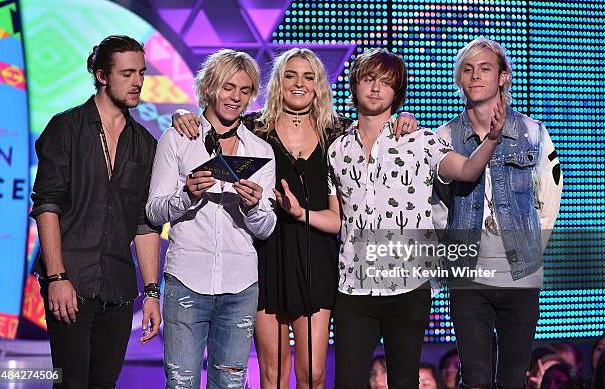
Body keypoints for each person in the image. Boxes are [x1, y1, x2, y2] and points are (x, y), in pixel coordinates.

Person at [171, 48, 417, 389]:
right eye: (290, 75)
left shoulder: (338, 132)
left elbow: (376, 130)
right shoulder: (253, 128)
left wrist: (400, 120)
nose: (299, 84)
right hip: (265, 255)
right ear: (278, 82)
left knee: (313, 373)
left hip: (317, 255)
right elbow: (214, 120)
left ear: (319, 86)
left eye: (308, 77)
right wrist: (185, 115)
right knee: (272, 373)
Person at [275, 47, 505, 389]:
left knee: (403, 381)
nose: (375, 88)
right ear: (355, 85)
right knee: (348, 381)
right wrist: (299, 213)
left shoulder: (420, 140)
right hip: (354, 287)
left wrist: (492, 139)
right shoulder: (337, 149)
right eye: (368, 79)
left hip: (408, 286)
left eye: (386, 82)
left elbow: (468, 170)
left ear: (396, 93)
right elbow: (338, 219)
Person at [30, 35, 161, 388]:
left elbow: (145, 222)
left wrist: (151, 293)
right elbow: (47, 204)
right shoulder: (66, 128)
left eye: (142, 73)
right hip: (71, 279)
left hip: (118, 287)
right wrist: (57, 277)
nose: (137, 82)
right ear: (102, 75)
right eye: (128, 73)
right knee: (70, 383)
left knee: (104, 383)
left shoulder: (145, 143)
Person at [432, 38, 563, 389]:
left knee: (512, 379)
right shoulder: (444, 135)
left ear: (503, 77)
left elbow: (549, 200)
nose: (475, 76)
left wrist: (531, 250)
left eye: (485, 68)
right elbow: (438, 206)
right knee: (474, 380)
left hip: (519, 273)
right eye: (468, 69)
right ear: (459, 78)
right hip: (468, 275)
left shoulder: (533, 133)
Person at [146, 49, 277, 388]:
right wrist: (187, 194)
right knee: (181, 383)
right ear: (209, 88)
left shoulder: (260, 151)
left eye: (244, 90)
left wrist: (252, 207)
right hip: (188, 279)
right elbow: (154, 211)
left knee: (231, 383)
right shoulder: (177, 139)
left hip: (241, 283)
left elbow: (267, 227)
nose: (235, 97)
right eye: (227, 87)